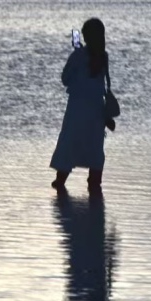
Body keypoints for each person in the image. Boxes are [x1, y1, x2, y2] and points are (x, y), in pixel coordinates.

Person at [49, 18, 111, 194]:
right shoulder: (103, 56)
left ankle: (60, 180)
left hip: (77, 108)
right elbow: (105, 83)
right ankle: (94, 182)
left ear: (85, 36)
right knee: (95, 146)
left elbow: (65, 79)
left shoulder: (78, 56)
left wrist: (77, 56)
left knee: (70, 142)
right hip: (96, 109)